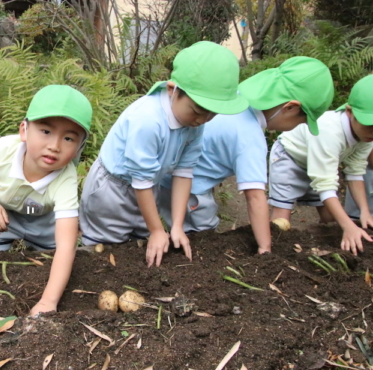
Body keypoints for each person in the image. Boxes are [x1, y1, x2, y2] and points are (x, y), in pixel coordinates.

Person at [80, 41, 248, 267]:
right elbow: (141, 180)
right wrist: (158, 230)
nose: (203, 120)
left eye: (212, 115)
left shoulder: (196, 124)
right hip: (112, 191)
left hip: (149, 187)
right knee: (104, 246)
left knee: (140, 243)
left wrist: (176, 226)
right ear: (172, 90)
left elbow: (184, 171)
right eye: (197, 111)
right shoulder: (148, 120)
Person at [180, 57, 334, 254]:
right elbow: (255, 198)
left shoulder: (235, 98)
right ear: (290, 108)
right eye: (302, 122)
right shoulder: (250, 137)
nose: (298, 127)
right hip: (191, 189)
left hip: (177, 173)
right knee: (203, 235)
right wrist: (265, 248)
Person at [0, 85, 92, 316]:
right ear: (24, 130)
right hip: (2, 216)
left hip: (43, 224)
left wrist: (48, 302)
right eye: (46, 131)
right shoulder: (2, 151)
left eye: (68, 138)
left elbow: (66, 244)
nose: (54, 145)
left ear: (78, 148)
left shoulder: (65, 179)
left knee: (48, 265)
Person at [270, 74, 373, 255]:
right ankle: (273, 254)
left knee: (331, 219)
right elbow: (325, 186)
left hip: (320, 165)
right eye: (369, 125)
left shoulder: (367, 136)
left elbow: (355, 172)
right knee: (282, 220)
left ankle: (324, 249)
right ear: (349, 112)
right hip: (290, 158)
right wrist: (349, 226)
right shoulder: (329, 132)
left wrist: (365, 211)